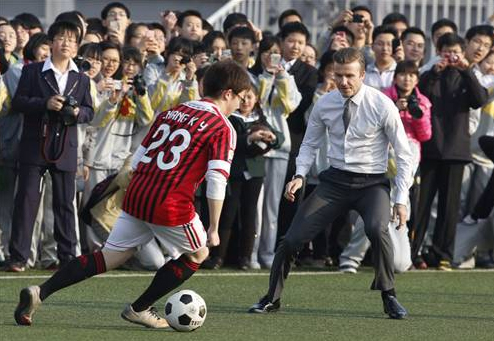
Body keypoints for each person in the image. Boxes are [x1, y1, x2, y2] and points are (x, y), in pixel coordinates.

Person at [14, 60, 251, 328]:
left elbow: (137, 161)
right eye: (241, 98)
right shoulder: (222, 127)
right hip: (169, 202)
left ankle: (40, 292)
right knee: (199, 254)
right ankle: (140, 308)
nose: (240, 104)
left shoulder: (171, 112)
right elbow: (217, 179)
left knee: (109, 257)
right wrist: (214, 227)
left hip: (138, 192)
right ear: (228, 93)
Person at [248, 47, 413, 319]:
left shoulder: (382, 104)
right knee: (291, 240)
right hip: (334, 181)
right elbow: (310, 144)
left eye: (350, 75)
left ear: (363, 75)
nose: (343, 82)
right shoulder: (325, 103)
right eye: (339, 75)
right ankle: (271, 298)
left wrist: (400, 200)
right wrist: (300, 175)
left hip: (372, 183)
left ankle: (389, 296)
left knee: (376, 228)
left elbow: (403, 154)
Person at [5, 21, 94, 272]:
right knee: (26, 200)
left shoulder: (81, 78)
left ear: (76, 48)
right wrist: (45, 103)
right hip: (35, 144)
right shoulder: (33, 71)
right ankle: (18, 257)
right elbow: (19, 102)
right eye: (61, 38)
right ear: (51, 42)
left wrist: (77, 112)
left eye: (71, 40)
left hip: (66, 145)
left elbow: (90, 111)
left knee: (65, 203)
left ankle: (67, 257)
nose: (66, 43)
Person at [412, 33, 488, 270]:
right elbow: (420, 94)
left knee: (449, 206)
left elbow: (479, 100)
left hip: (456, 151)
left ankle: (443, 253)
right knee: (421, 204)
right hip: (430, 148)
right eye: (447, 51)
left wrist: (465, 71)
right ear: (439, 50)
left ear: (462, 52)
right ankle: (414, 252)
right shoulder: (429, 74)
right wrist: (435, 71)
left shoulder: (468, 76)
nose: (452, 56)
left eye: (456, 51)